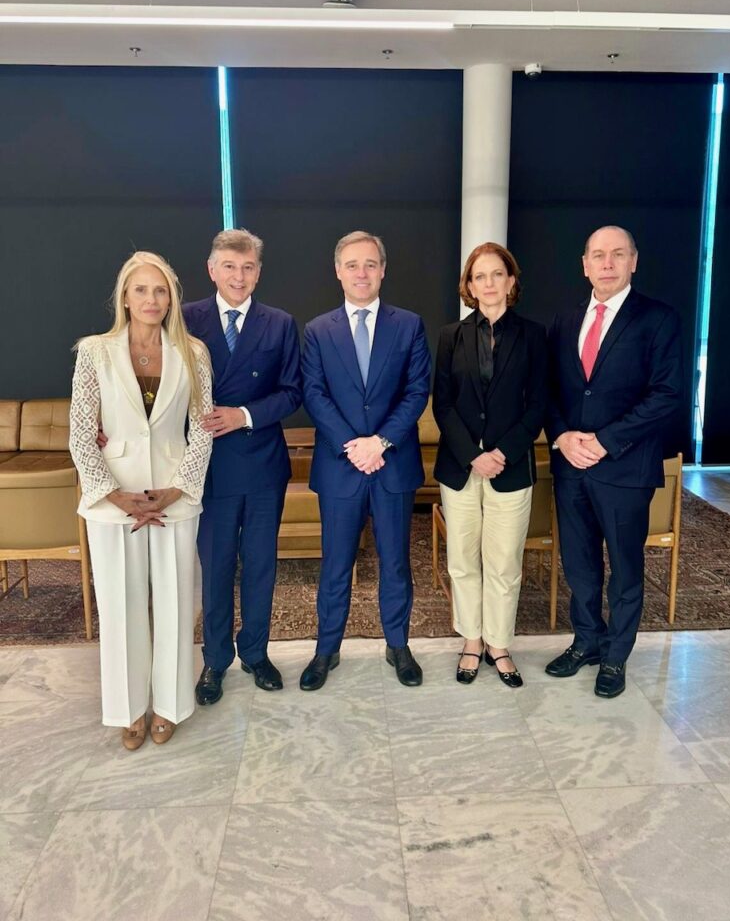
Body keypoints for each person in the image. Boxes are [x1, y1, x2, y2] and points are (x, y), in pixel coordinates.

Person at [69, 251, 212, 750]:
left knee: (175, 603)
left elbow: (203, 429)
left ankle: (170, 706)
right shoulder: (95, 352)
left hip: (174, 497)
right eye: (141, 290)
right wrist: (116, 495)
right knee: (120, 607)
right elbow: (80, 432)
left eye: (160, 290)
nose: (151, 299)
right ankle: (127, 709)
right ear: (125, 298)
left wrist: (177, 489)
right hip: (114, 502)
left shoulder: (193, 352)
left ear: (171, 298)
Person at [545, 226, 683, 697]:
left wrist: (605, 441)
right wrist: (562, 436)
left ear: (633, 262)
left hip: (624, 468)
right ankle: (586, 642)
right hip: (571, 466)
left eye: (618, 254)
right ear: (584, 265)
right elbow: (550, 391)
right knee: (579, 565)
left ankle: (616, 656)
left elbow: (666, 394)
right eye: (599, 255)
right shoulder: (564, 320)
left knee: (624, 569)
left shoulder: (657, 319)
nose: (607, 263)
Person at [299, 230, 431, 690]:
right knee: (335, 565)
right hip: (341, 467)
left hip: (392, 465)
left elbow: (417, 391)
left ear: (383, 270)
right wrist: (354, 446)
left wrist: (381, 442)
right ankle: (326, 650)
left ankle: (399, 645)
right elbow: (314, 394)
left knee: (395, 563)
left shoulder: (409, 325)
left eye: (370, 264)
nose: (361, 272)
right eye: (352, 264)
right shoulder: (317, 330)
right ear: (338, 271)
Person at [183, 229, 301, 706]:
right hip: (208, 466)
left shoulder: (280, 323)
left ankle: (255, 652)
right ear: (212, 269)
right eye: (229, 266)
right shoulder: (184, 319)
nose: (239, 276)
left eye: (248, 267)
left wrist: (244, 415)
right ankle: (215, 660)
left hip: (262, 465)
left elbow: (292, 392)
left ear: (258, 272)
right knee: (215, 568)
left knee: (260, 565)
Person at [433, 243, 547, 687]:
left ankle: (498, 644)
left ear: (511, 280)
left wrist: (502, 452)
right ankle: (471, 640)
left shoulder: (533, 335)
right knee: (463, 560)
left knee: (503, 562)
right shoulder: (451, 336)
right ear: (469, 285)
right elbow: (443, 405)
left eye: (497, 274)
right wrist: (473, 454)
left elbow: (538, 404)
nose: (489, 283)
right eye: (479, 276)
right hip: (461, 466)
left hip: (510, 466)